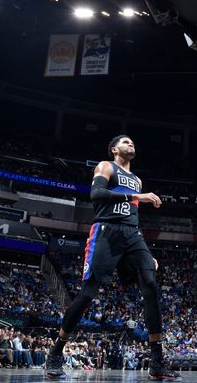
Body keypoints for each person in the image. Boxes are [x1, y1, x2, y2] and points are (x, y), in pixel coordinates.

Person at [44, 135, 180, 380]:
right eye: (126, 142)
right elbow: (96, 195)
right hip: (106, 232)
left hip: (132, 235)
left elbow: (131, 216)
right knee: (87, 294)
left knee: (150, 285)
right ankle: (55, 352)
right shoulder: (106, 166)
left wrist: (144, 251)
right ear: (114, 149)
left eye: (133, 142)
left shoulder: (137, 181)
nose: (131, 144)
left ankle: (157, 362)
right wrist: (136, 196)